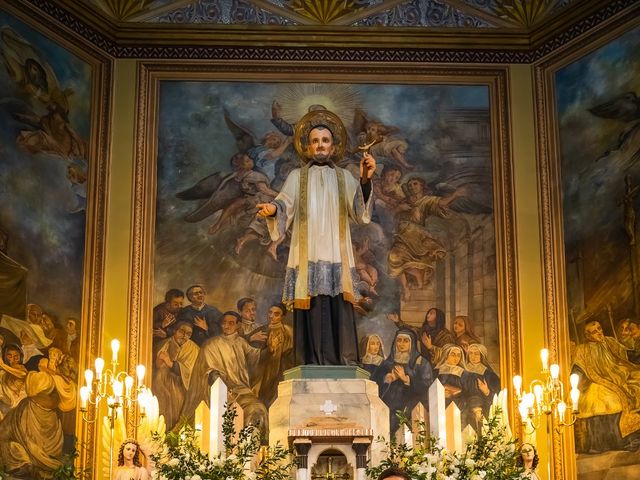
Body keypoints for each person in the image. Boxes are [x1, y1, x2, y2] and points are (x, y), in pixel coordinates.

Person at [257, 109, 376, 366]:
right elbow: (284, 204)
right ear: (308, 147)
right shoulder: (296, 177)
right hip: (307, 253)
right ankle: (309, 361)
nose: (320, 145)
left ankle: (343, 362)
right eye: (315, 141)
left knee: (338, 306)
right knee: (309, 304)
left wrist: (365, 179)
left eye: (325, 141)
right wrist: (272, 210)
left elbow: (359, 212)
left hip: (336, 252)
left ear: (333, 147)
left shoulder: (344, 177)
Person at [180, 311, 268, 439]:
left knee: (258, 409)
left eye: (231, 323)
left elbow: (255, 360)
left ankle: (251, 450)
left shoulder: (241, 342)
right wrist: (214, 376)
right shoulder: (211, 344)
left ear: (238, 325)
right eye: (224, 323)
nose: (226, 326)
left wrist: (269, 351)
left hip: (242, 393)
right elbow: (203, 371)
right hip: (220, 395)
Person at [373, 329, 433, 435]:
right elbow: (374, 381)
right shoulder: (388, 363)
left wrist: (406, 379)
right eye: (399, 340)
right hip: (387, 408)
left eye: (406, 341)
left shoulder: (421, 363)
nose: (401, 344)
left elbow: (427, 386)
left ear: (412, 344)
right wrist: (386, 379)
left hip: (410, 408)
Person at [154, 322, 200, 431]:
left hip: (183, 386)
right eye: (181, 332)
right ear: (175, 331)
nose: (184, 336)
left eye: (188, 334)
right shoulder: (164, 344)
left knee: (178, 405)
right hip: (163, 385)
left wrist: (171, 364)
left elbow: (193, 371)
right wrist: (161, 361)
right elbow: (156, 366)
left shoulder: (194, 349)